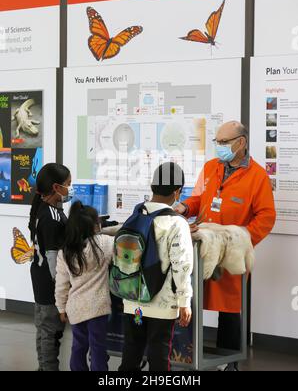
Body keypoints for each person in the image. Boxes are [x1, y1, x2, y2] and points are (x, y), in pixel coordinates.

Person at [175, 121, 276, 371]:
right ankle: (186, 355)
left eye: (223, 142)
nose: (219, 147)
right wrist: (185, 207)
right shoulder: (211, 167)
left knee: (229, 309)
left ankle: (229, 362)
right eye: (217, 142)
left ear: (240, 142)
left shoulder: (258, 175)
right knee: (190, 299)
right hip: (202, 247)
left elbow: (266, 216)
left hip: (231, 254)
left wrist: (241, 241)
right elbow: (200, 197)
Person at [119, 162, 193, 371]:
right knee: (159, 354)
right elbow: (182, 266)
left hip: (133, 301)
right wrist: (184, 301)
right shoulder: (177, 223)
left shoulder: (136, 215)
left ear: (152, 187)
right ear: (178, 191)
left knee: (131, 351)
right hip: (161, 305)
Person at [55, 201, 114, 371]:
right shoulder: (103, 243)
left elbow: (61, 284)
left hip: (75, 307)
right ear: (95, 225)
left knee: (78, 347)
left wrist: (61, 307)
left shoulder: (65, 251)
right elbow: (121, 240)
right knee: (98, 348)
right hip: (98, 307)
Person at [29, 163, 73, 371]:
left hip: (39, 277)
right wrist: (61, 288)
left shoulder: (45, 209)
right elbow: (53, 257)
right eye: (68, 184)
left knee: (44, 328)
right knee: (51, 331)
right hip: (49, 281)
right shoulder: (51, 217)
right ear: (56, 187)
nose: (69, 189)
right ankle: (48, 367)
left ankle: (43, 367)